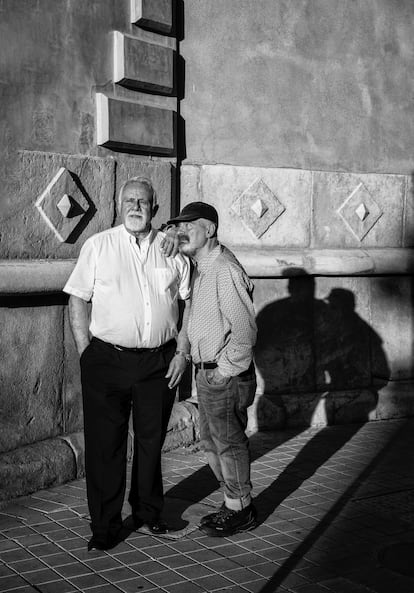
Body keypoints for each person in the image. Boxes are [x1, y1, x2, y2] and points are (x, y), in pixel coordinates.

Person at [63, 177, 191, 551]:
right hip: (106, 359)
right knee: (106, 445)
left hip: (159, 361)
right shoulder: (98, 246)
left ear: (154, 208)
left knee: (152, 441)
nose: (136, 207)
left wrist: (182, 352)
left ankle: (148, 512)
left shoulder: (172, 250)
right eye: (130, 201)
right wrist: (86, 351)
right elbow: (77, 298)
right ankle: (104, 525)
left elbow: (190, 300)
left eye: (143, 201)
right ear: (120, 206)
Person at [169, 202, 258, 537]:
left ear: (210, 229)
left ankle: (242, 509)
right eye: (178, 226)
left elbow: (245, 330)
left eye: (188, 225)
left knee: (229, 442)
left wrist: (224, 369)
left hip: (225, 374)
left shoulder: (224, 268)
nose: (180, 231)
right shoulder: (201, 267)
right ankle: (232, 503)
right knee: (211, 441)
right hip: (206, 373)